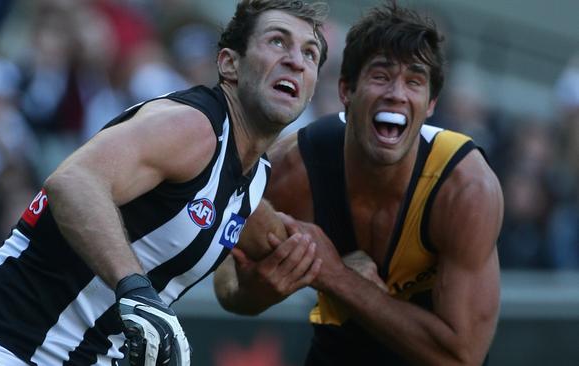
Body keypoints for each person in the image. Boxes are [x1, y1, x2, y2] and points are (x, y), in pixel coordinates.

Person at [0, 0, 329, 365]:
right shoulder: (193, 126)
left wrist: (317, 273)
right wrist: (135, 289)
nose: (295, 60)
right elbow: (72, 181)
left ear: (313, 86)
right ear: (229, 64)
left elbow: (233, 288)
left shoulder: (252, 179)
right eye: (278, 42)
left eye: (309, 54)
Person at [214, 2, 503, 365]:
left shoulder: (465, 187)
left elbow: (463, 357)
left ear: (430, 105)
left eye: (414, 81)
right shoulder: (297, 167)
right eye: (381, 76)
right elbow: (229, 285)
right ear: (346, 91)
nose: (396, 94)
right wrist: (265, 287)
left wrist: (336, 276)